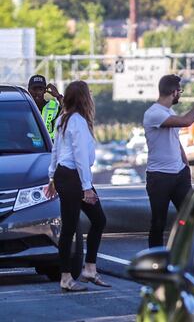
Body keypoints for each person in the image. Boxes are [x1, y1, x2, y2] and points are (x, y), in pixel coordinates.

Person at [43, 81, 109, 291]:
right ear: (83, 97)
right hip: (74, 177)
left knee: (95, 221)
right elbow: (80, 156)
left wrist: (53, 177)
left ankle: (89, 269)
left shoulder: (64, 118)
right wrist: (87, 187)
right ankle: (66, 277)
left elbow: (56, 150)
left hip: (65, 175)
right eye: (89, 93)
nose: (91, 96)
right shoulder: (77, 121)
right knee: (74, 226)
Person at [143, 74, 194, 248]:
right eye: (179, 91)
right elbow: (187, 121)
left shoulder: (168, 112)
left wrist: (185, 165)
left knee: (191, 216)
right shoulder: (154, 114)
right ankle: (154, 261)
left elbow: (175, 139)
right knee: (158, 222)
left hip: (179, 173)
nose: (179, 94)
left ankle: (189, 254)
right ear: (174, 92)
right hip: (159, 176)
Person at [28, 74, 63, 141]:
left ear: (45, 91)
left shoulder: (54, 107)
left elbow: (70, 114)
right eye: (34, 89)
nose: (37, 92)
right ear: (28, 90)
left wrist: (58, 96)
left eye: (40, 89)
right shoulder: (24, 107)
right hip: (27, 148)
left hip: (49, 148)